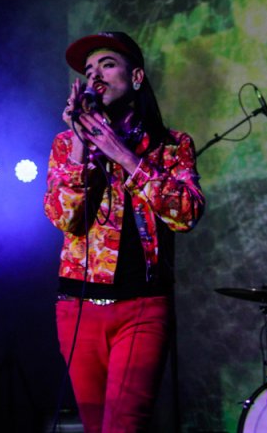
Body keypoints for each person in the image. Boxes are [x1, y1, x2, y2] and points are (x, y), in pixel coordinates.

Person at [44, 31, 205, 432]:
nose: (95, 76)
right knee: (95, 426)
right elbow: (63, 218)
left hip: (141, 308)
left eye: (107, 64)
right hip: (77, 308)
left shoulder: (171, 145)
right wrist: (80, 143)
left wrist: (124, 155)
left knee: (125, 425)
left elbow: (185, 215)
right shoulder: (65, 145)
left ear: (135, 77)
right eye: (89, 71)